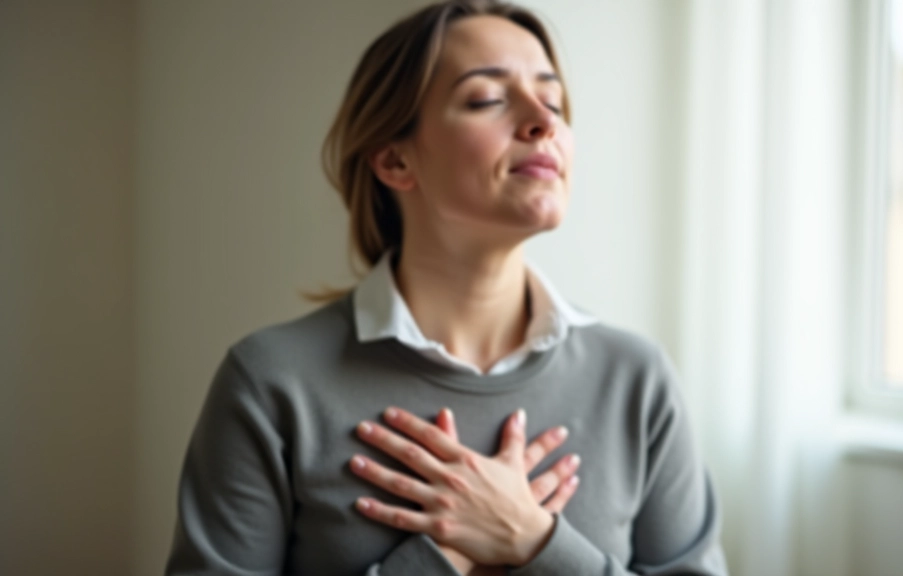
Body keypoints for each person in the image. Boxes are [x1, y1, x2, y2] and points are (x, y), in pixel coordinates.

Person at [164, 1, 728, 574]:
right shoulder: (270, 381)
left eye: (553, 101)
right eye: (487, 99)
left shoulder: (636, 379)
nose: (543, 120)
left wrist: (535, 543)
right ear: (394, 160)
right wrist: (442, 555)